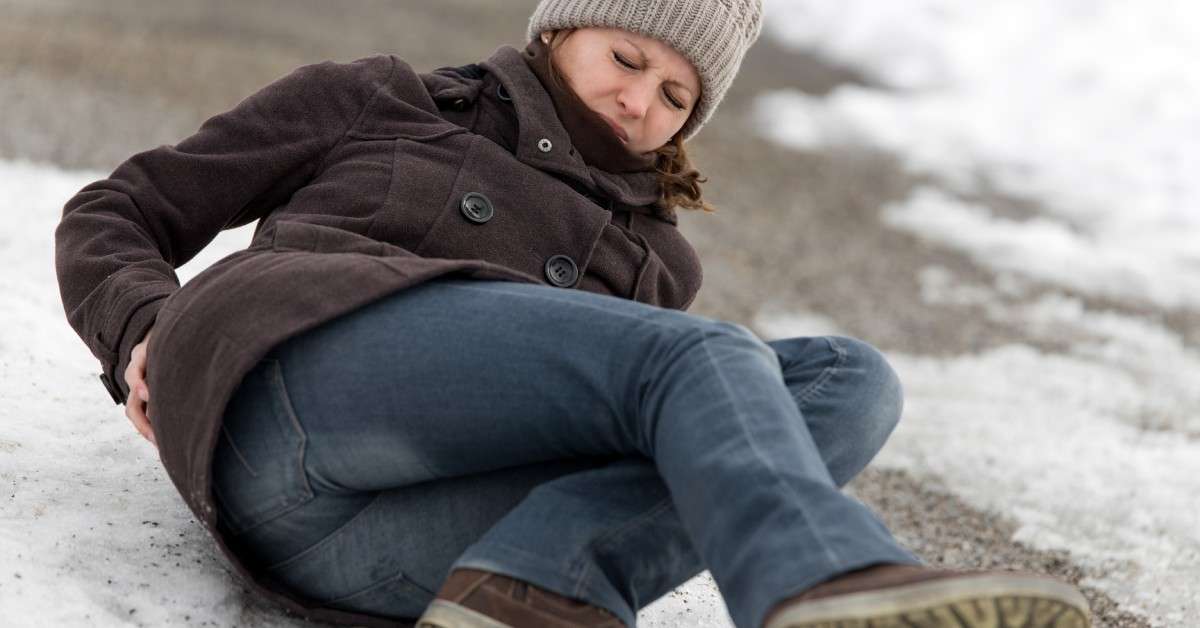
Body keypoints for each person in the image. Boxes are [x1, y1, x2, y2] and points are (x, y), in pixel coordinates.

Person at [54, 0, 1093, 627]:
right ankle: (821, 581)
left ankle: (532, 587)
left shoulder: (658, 264)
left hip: (374, 556)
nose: (642, 103)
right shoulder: (386, 99)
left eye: (677, 97)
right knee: (701, 362)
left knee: (852, 383)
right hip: (277, 397)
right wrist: (142, 323)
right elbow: (117, 208)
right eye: (629, 59)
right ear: (561, 27)